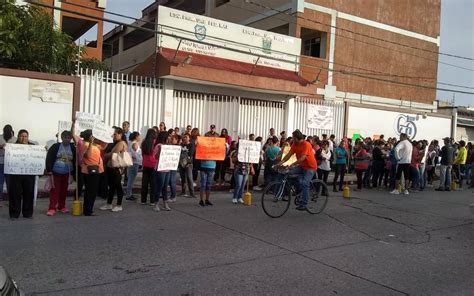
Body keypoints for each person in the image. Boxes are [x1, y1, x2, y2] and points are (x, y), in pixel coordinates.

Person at [276, 129, 317, 211]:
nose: (292, 139)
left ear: (298, 138)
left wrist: (293, 164)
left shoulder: (306, 144)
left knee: (305, 183)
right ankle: (297, 189)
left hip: (310, 167)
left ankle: (304, 204)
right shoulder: (295, 144)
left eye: (294, 138)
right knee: (288, 173)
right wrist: (280, 163)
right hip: (301, 166)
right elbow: (288, 155)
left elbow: (302, 157)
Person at [8, 130, 38, 220]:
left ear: (28, 137)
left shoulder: (33, 147)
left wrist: (43, 150)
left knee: (29, 193)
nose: (24, 138)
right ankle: (14, 214)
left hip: (29, 174)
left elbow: (38, 158)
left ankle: (28, 213)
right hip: (15, 174)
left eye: (25, 136)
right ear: (18, 136)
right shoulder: (12, 147)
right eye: (21, 136)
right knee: (15, 194)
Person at [45, 130, 76, 216]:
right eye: (65, 138)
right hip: (56, 172)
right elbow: (49, 157)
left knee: (63, 190)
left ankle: (61, 206)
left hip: (67, 173)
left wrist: (73, 173)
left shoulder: (73, 147)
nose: (67, 139)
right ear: (62, 138)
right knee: (55, 190)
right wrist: (49, 170)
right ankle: (52, 208)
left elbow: (76, 160)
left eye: (69, 138)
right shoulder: (56, 146)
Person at [100, 128, 128, 212]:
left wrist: (105, 155)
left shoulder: (121, 143)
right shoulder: (113, 142)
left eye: (115, 134)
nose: (113, 136)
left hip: (116, 168)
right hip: (110, 167)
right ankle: (109, 204)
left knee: (118, 186)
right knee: (111, 187)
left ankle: (119, 205)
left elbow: (113, 154)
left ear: (120, 134)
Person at [197, 134, 218, 207]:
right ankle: (201, 200)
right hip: (204, 167)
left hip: (212, 167)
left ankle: (207, 200)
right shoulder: (202, 146)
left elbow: (222, 155)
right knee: (203, 184)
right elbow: (198, 153)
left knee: (208, 185)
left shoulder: (216, 146)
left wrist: (225, 147)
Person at [153, 131, 171, 211]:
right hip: (160, 169)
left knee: (165, 187)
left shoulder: (168, 146)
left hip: (167, 169)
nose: (169, 138)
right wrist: (160, 151)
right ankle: (156, 203)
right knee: (159, 186)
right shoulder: (158, 145)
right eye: (168, 136)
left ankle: (165, 203)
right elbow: (155, 157)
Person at [141, 129, 158, 205]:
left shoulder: (144, 142)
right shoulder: (155, 142)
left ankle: (143, 200)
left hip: (145, 164)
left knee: (144, 183)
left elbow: (142, 153)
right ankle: (152, 201)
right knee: (153, 184)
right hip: (153, 164)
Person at [0, 124, 16, 200]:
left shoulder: (0, 138)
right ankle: (11, 198)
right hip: (9, 163)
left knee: (1, 181)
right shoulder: (14, 139)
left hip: (4, 162)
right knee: (9, 182)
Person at [126, 132, 142, 201]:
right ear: (136, 137)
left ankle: (129, 194)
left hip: (132, 163)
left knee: (130, 178)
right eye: (139, 136)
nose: (140, 138)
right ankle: (129, 195)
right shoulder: (134, 144)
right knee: (131, 180)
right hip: (134, 163)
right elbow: (135, 154)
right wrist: (140, 159)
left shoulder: (130, 143)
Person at [178, 134, 196, 198]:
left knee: (189, 178)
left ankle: (192, 193)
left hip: (188, 164)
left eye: (186, 137)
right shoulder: (181, 145)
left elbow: (191, 153)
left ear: (189, 138)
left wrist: (184, 152)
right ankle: (183, 192)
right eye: (184, 137)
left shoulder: (191, 145)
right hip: (181, 163)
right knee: (183, 178)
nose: (185, 138)